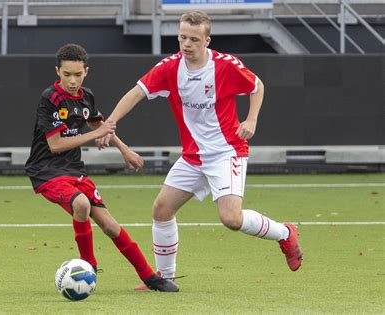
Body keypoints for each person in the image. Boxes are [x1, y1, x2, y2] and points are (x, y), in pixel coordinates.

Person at [100, 11, 303, 290]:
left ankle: (285, 233)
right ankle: (163, 280)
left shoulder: (225, 66)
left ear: (206, 40)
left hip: (226, 151)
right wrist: (111, 122)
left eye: (194, 39)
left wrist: (251, 119)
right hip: (194, 157)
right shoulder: (170, 67)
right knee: (161, 209)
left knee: (231, 218)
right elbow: (136, 92)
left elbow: (257, 86)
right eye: (182, 37)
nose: (186, 44)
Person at [25, 43, 178, 292]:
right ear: (57, 71)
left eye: (77, 74)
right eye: (66, 75)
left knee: (110, 225)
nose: (72, 81)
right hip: (46, 170)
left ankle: (150, 277)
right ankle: (89, 267)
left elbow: (99, 125)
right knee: (82, 204)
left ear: (86, 71)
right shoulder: (49, 99)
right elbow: (55, 145)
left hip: (74, 169)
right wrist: (94, 135)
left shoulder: (86, 96)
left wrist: (125, 150)